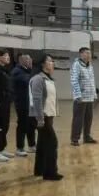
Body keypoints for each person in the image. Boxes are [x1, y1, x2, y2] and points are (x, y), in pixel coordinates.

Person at [30, 53, 63, 181]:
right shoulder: (38, 79)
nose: (52, 63)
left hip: (48, 116)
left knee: (43, 143)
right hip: (41, 116)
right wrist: (40, 118)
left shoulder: (48, 79)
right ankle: (50, 173)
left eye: (52, 61)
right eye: (50, 61)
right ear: (43, 64)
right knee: (52, 143)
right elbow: (37, 100)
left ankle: (39, 170)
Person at [70, 47, 98, 146]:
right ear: (81, 54)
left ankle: (87, 137)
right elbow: (74, 80)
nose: (89, 55)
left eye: (89, 53)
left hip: (89, 97)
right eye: (87, 53)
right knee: (78, 119)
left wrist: (94, 94)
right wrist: (78, 95)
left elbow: (92, 81)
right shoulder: (76, 65)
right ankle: (75, 139)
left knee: (88, 119)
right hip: (80, 98)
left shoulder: (90, 66)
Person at [12, 52, 36, 156]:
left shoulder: (27, 70)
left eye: (30, 59)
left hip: (30, 103)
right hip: (22, 103)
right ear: (21, 60)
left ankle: (31, 145)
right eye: (27, 59)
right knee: (22, 125)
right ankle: (20, 148)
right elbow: (28, 81)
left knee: (31, 124)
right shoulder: (17, 71)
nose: (30, 61)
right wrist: (31, 72)